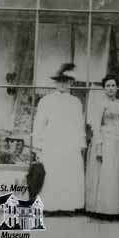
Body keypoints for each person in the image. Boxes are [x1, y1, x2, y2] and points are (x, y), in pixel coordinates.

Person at [33, 63, 86, 212]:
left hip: (70, 143)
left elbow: (79, 125)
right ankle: (49, 206)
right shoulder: (46, 101)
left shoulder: (76, 102)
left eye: (66, 81)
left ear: (71, 83)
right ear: (56, 82)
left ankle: (67, 206)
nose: (63, 84)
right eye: (60, 81)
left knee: (68, 174)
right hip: (52, 142)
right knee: (52, 174)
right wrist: (38, 146)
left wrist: (81, 144)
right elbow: (39, 125)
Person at [85, 74, 119, 216]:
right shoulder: (101, 103)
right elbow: (96, 125)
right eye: (108, 86)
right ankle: (105, 208)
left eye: (113, 85)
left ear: (117, 87)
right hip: (106, 141)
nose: (110, 88)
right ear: (104, 88)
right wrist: (99, 145)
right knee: (108, 175)